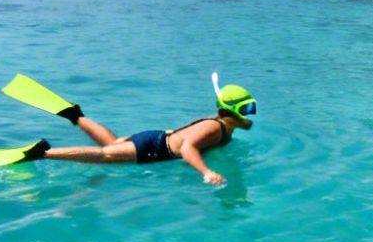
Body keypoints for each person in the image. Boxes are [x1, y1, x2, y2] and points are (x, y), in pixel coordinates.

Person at [18, 80, 257, 187]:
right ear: (228, 112)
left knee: (111, 144)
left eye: (251, 108)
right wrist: (206, 172)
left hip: (155, 139)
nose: (251, 114)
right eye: (246, 109)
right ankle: (43, 153)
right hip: (154, 147)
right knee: (106, 156)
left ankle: (75, 115)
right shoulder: (215, 127)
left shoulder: (221, 125)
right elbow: (187, 148)